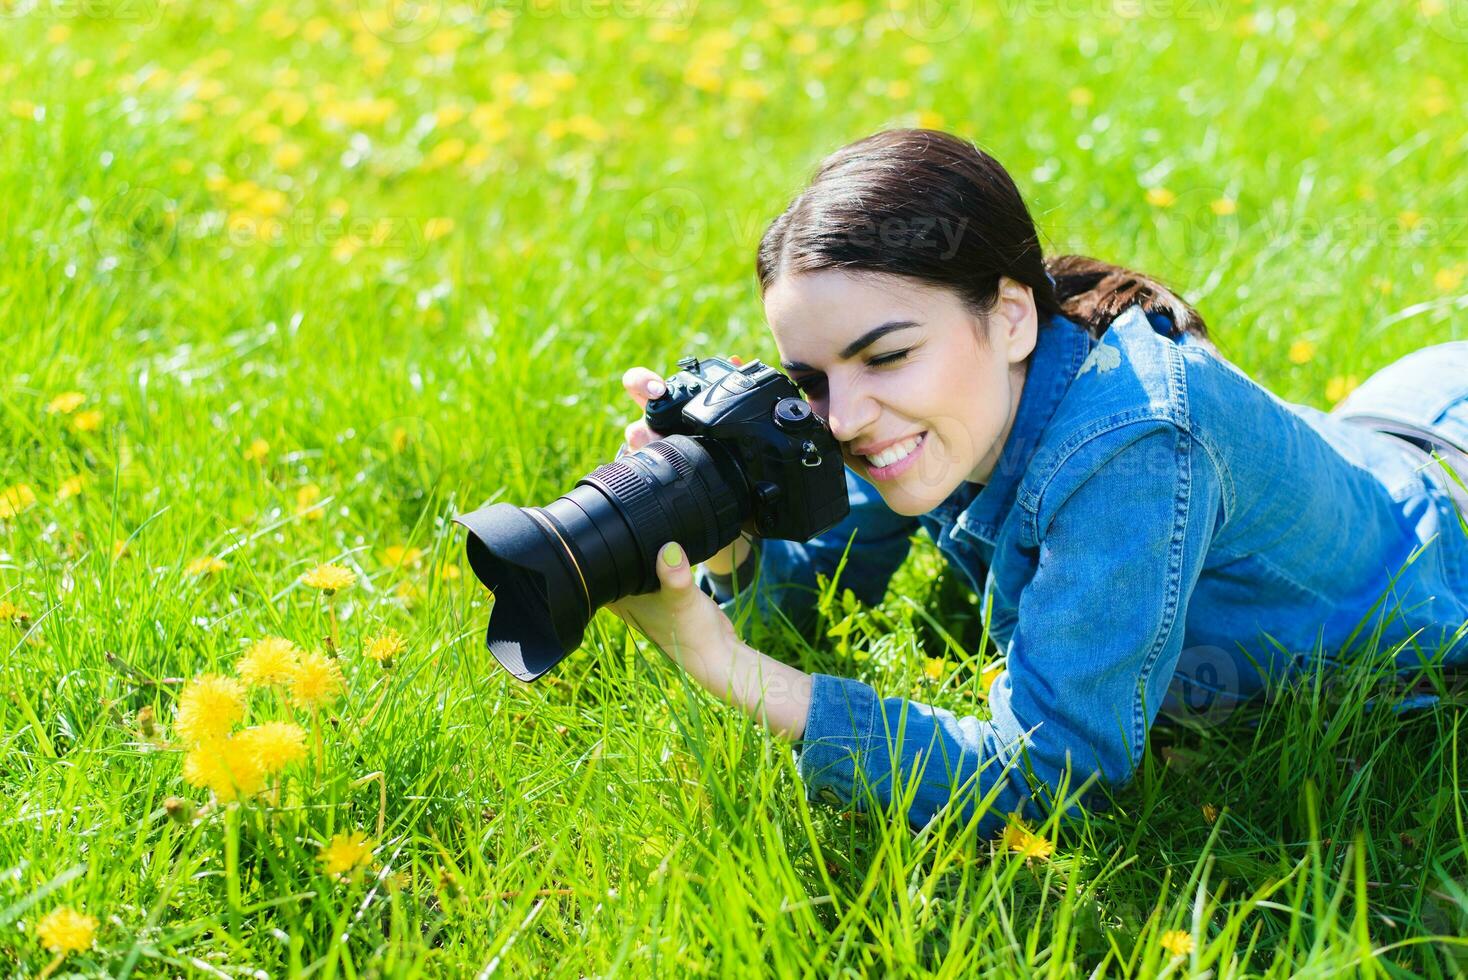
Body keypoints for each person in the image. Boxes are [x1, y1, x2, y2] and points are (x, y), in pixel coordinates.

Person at [605, 128, 1468, 838]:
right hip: (1387, 426)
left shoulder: (1131, 446)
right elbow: (817, 589)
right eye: (813, 379)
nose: (842, 419)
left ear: (1012, 315)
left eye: (889, 354)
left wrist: (724, 665)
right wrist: (726, 535)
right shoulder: (928, 415)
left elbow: (1049, 777)